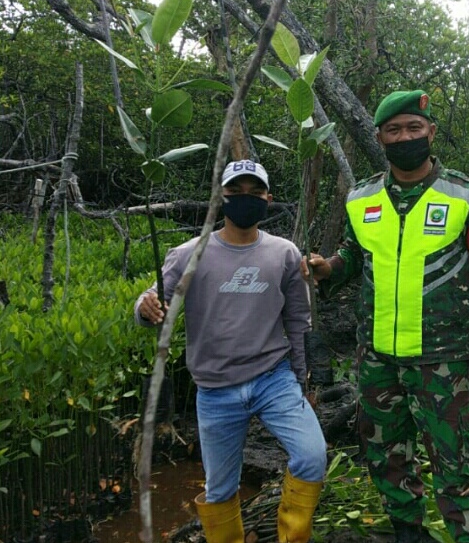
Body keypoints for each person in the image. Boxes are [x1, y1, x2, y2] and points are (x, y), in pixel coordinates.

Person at [306, 90, 469, 543]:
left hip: (444, 360)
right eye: (394, 130)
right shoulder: (362, 198)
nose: (405, 137)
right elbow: (354, 256)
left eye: (414, 128)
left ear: (431, 133)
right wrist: (329, 268)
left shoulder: (464, 196)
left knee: (456, 465)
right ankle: (407, 533)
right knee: (385, 457)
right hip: (377, 359)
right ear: (379, 138)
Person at [135, 159, 326, 543]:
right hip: (215, 388)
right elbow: (154, 301)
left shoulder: (285, 253)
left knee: (312, 456)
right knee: (220, 489)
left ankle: (293, 536)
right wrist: (145, 307)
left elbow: (298, 321)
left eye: (255, 193)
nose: (245, 199)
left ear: (268, 199)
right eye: (235, 192)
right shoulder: (190, 253)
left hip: (274, 378)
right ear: (220, 198)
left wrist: (304, 379)